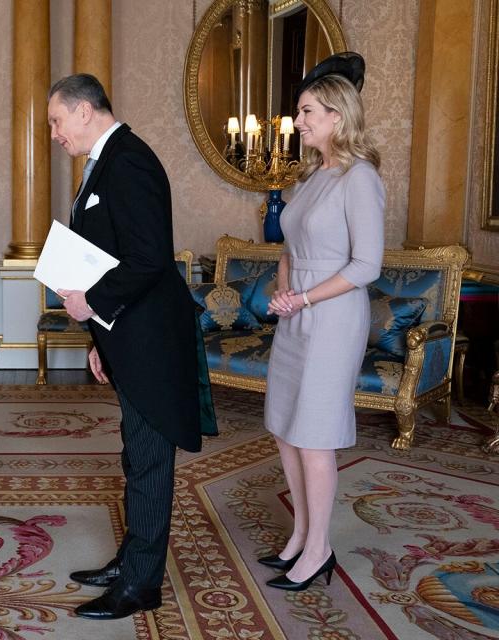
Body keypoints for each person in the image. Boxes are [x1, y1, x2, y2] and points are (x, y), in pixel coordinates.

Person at [48, 74, 216, 620]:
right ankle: (130, 560)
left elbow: (148, 258)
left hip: (151, 342)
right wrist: (100, 338)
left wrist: (90, 302)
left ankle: (141, 585)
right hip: (127, 336)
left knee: (148, 462)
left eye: (56, 121)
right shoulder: (107, 159)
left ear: (84, 110)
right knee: (134, 456)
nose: (54, 133)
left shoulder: (130, 160)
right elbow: (111, 252)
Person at [261, 52, 384, 591]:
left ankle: (319, 550)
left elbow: (367, 265)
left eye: (308, 111)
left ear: (337, 115)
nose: (300, 121)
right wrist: (284, 286)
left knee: (313, 436)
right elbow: (290, 243)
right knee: (286, 429)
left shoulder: (360, 177)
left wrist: (305, 299)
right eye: (300, 112)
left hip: (332, 317)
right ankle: (300, 535)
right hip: (298, 311)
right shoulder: (312, 176)